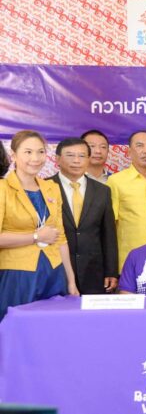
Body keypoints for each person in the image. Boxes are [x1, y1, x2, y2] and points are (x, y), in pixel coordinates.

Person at [0, 131, 79, 320]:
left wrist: (71, 280)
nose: (35, 158)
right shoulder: (3, 188)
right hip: (17, 273)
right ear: (14, 155)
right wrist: (35, 237)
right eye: (28, 152)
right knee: (17, 328)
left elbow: (60, 238)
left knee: (51, 328)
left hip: (53, 271)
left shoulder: (52, 188)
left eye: (40, 152)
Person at [49, 138, 118, 294]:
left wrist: (111, 271)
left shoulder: (102, 191)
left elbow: (108, 234)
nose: (76, 161)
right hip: (56, 269)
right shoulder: (45, 187)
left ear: (88, 159)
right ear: (57, 159)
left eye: (81, 156)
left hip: (94, 271)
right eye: (70, 155)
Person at [107, 130, 146, 269]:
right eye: (139, 145)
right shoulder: (115, 181)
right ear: (129, 152)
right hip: (129, 260)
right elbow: (109, 226)